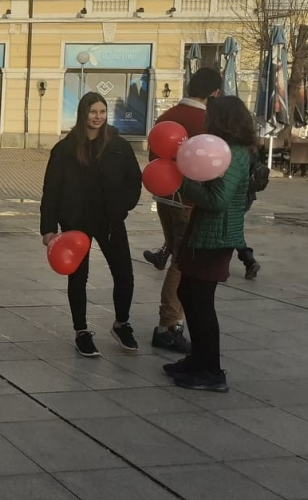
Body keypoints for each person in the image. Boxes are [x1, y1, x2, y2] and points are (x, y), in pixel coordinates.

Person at [40, 92, 143, 357]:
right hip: (76, 222)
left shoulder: (118, 146)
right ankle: (81, 331)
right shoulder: (65, 149)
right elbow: (51, 189)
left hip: (110, 220)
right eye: (93, 112)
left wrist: (123, 206)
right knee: (78, 278)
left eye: (102, 112)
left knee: (124, 274)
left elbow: (134, 180)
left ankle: (122, 323)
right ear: (83, 113)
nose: (98, 117)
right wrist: (48, 228)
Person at [164, 97, 256, 393]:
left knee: (200, 301)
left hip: (216, 237)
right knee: (187, 292)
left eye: (210, 117)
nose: (205, 121)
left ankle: (212, 371)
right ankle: (198, 360)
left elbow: (218, 201)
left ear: (224, 121)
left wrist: (183, 181)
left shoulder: (235, 155)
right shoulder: (225, 150)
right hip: (204, 233)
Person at [145, 68, 220, 354]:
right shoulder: (206, 121)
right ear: (214, 92)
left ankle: (172, 320)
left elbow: (154, 155)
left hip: (163, 196)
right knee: (182, 261)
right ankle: (168, 324)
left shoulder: (166, 117)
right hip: (189, 201)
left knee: (179, 256)